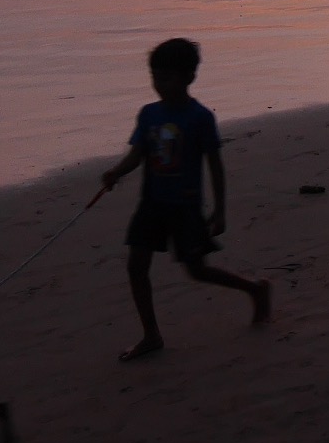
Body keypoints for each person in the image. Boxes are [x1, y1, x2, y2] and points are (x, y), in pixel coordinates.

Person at [101, 37, 270, 362]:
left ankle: (254, 289)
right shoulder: (148, 114)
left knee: (197, 270)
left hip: (186, 207)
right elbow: (138, 154)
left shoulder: (200, 117)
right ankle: (151, 335)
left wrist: (220, 210)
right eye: (155, 77)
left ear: (189, 77)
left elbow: (215, 166)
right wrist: (116, 172)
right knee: (136, 266)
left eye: (166, 78)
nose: (159, 84)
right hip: (151, 203)